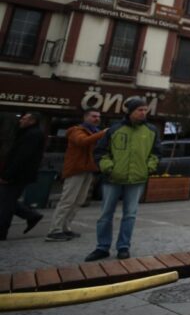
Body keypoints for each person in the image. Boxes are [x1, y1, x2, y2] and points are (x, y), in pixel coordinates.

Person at [85, 97, 159, 261]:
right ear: (130, 111)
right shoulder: (115, 129)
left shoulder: (151, 131)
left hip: (137, 179)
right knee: (105, 214)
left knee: (130, 215)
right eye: (139, 110)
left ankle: (123, 247)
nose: (143, 113)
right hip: (113, 178)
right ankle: (102, 247)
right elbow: (101, 151)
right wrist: (108, 168)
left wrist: (149, 168)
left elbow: (156, 153)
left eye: (145, 110)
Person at [46, 109, 106, 241]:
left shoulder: (94, 132)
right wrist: (103, 133)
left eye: (98, 116)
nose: (97, 118)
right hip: (75, 169)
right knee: (67, 200)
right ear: (85, 117)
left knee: (78, 201)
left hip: (88, 169)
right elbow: (82, 142)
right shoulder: (76, 131)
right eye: (93, 116)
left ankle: (66, 227)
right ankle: (54, 230)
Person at [0, 112, 46, 239]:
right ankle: (31, 215)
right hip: (18, 174)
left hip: (18, 175)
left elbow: (21, 156)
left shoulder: (32, 135)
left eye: (24, 119)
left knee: (6, 203)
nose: (20, 121)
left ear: (32, 121)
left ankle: (2, 231)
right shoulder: (27, 133)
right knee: (6, 200)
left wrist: (8, 174)